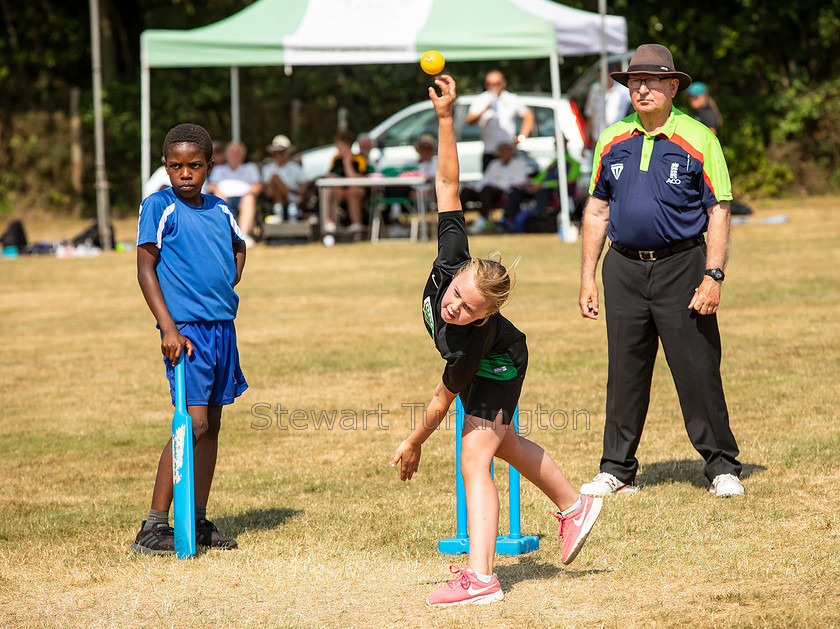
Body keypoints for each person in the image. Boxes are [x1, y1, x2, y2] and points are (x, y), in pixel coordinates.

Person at [391, 74, 601, 608]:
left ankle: (481, 578)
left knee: (474, 457)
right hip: (498, 354)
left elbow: (442, 400)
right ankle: (573, 505)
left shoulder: (471, 344)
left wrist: (414, 441)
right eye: (457, 296)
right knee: (498, 441)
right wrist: (445, 118)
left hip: (502, 363)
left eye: (468, 309)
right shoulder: (451, 260)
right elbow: (447, 187)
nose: (454, 307)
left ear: (486, 314)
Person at [578, 43, 744, 499]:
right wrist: (588, 276)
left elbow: (719, 210)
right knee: (625, 370)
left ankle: (722, 466)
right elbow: (596, 211)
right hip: (624, 269)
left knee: (697, 367)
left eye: (653, 80)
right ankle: (616, 469)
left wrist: (713, 275)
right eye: (635, 80)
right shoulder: (611, 139)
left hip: (683, 266)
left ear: (673, 86)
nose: (643, 87)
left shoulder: (699, 137)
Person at [132, 123, 248, 555]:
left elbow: (240, 247)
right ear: (165, 167)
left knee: (212, 426)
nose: (185, 174)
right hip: (186, 335)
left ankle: (196, 520)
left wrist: (227, 281)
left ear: (209, 167)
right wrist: (167, 327)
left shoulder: (220, 209)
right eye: (176, 166)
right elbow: (146, 269)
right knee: (193, 424)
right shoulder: (158, 206)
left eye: (194, 166)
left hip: (221, 329)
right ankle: (154, 526)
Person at [467, 70, 535, 172]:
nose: (493, 87)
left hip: (509, 150)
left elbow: (528, 115)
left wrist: (522, 136)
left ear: (503, 83)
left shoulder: (512, 98)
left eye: (497, 83)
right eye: (490, 84)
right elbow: (470, 121)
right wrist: (485, 108)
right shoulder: (481, 99)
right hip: (490, 151)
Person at [459, 140, 530, 234]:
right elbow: (485, 179)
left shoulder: (519, 163)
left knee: (487, 190)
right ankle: (459, 219)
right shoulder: (494, 164)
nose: (503, 153)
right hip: (486, 189)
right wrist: (473, 187)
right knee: (466, 191)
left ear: (512, 152)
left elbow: (519, 180)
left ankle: (481, 219)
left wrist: (498, 185)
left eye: (505, 151)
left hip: (504, 192)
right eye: (501, 151)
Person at [207, 141, 261, 246]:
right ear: (227, 155)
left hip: (244, 196)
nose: (234, 156)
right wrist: (218, 190)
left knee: (249, 199)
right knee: (218, 198)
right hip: (224, 197)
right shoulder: (219, 169)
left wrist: (249, 192)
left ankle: (243, 235)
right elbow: (211, 186)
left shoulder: (250, 168)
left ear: (243, 155)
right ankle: (223, 235)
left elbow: (258, 186)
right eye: (232, 153)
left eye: (237, 153)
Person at [322, 131, 367, 233]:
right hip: (341, 191)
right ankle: (329, 223)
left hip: (357, 191)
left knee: (353, 192)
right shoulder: (336, 159)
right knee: (328, 191)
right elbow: (330, 176)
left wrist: (347, 163)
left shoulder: (359, 159)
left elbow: (356, 180)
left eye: (340, 147)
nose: (338, 150)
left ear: (348, 147)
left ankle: (356, 225)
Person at [261, 134, 309, 222]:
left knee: (275, 178)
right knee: (274, 178)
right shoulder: (268, 168)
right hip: (273, 198)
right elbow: (267, 190)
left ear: (287, 152)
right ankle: (281, 205)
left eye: (282, 152)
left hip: (293, 197)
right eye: (277, 152)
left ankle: (281, 207)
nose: (279, 155)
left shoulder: (295, 167)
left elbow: (304, 185)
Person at [584, 74, 633, 146]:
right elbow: (590, 118)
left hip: (619, 139)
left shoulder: (623, 91)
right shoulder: (594, 92)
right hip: (598, 140)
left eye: (609, 74)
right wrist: (585, 144)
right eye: (603, 74)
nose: (606, 77)